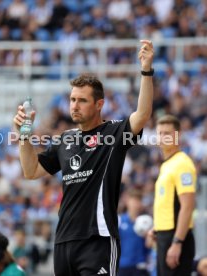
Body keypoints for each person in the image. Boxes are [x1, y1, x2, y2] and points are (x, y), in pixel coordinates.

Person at [14, 39, 154, 275]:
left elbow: (142, 114)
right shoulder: (65, 139)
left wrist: (146, 70)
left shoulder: (113, 133)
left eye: (82, 100)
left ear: (99, 104)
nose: (74, 105)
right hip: (64, 240)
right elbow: (31, 171)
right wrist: (24, 136)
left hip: (97, 239)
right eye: (72, 99)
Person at [152, 114, 196, 276]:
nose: (163, 137)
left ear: (177, 135)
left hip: (176, 238)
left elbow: (188, 206)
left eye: (167, 133)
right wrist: (156, 229)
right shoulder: (167, 165)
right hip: (164, 237)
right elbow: (167, 204)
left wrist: (177, 242)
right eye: (160, 133)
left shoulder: (182, 164)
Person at [118, 189, 150, 276]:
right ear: (127, 201)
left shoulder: (147, 222)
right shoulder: (119, 221)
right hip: (122, 266)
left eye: (138, 200)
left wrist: (148, 236)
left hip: (140, 266)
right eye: (133, 200)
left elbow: (150, 245)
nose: (135, 204)